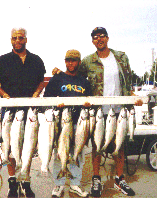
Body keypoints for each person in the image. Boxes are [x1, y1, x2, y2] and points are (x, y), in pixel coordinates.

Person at [53, 27, 136, 197]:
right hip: (97, 112)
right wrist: (60, 74)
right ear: (92, 41)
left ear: (107, 38)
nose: (99, 39)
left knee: (119, 146)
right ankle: (96, 178)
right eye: (96, 37)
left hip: (119, 111)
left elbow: (128, 78)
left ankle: (120, 179)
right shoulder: (88, 61)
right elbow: (75, 78)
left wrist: (132, 94)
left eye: (102, 36)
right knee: (96, 146)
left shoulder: (121, 57)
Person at [0, 27, 46, 198]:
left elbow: (42, 81)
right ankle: (13, 182)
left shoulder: (36, 60)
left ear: (26, 39)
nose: (17, 41)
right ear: (10, 40)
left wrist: (37, 93)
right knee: (10, 145)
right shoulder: (3, 60)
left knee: (28, 146)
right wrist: (4, 95)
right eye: (14, 38)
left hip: (30, 112)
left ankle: (26, 181)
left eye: (20, 38)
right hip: (9, 112)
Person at [44, 50, 91, 198]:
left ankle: (75, 184)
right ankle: (59, 185)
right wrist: (55, 105)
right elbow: (46, 99)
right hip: (61, 124)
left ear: (79, 62)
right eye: (68, 60)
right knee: (60, 154)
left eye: (74, 60)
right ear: (65, 61)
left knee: (78, 155)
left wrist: (89, 105)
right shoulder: (57, 79)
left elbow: (91, 100)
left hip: (79, 124)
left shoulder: (84, 81)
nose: (70, 63)